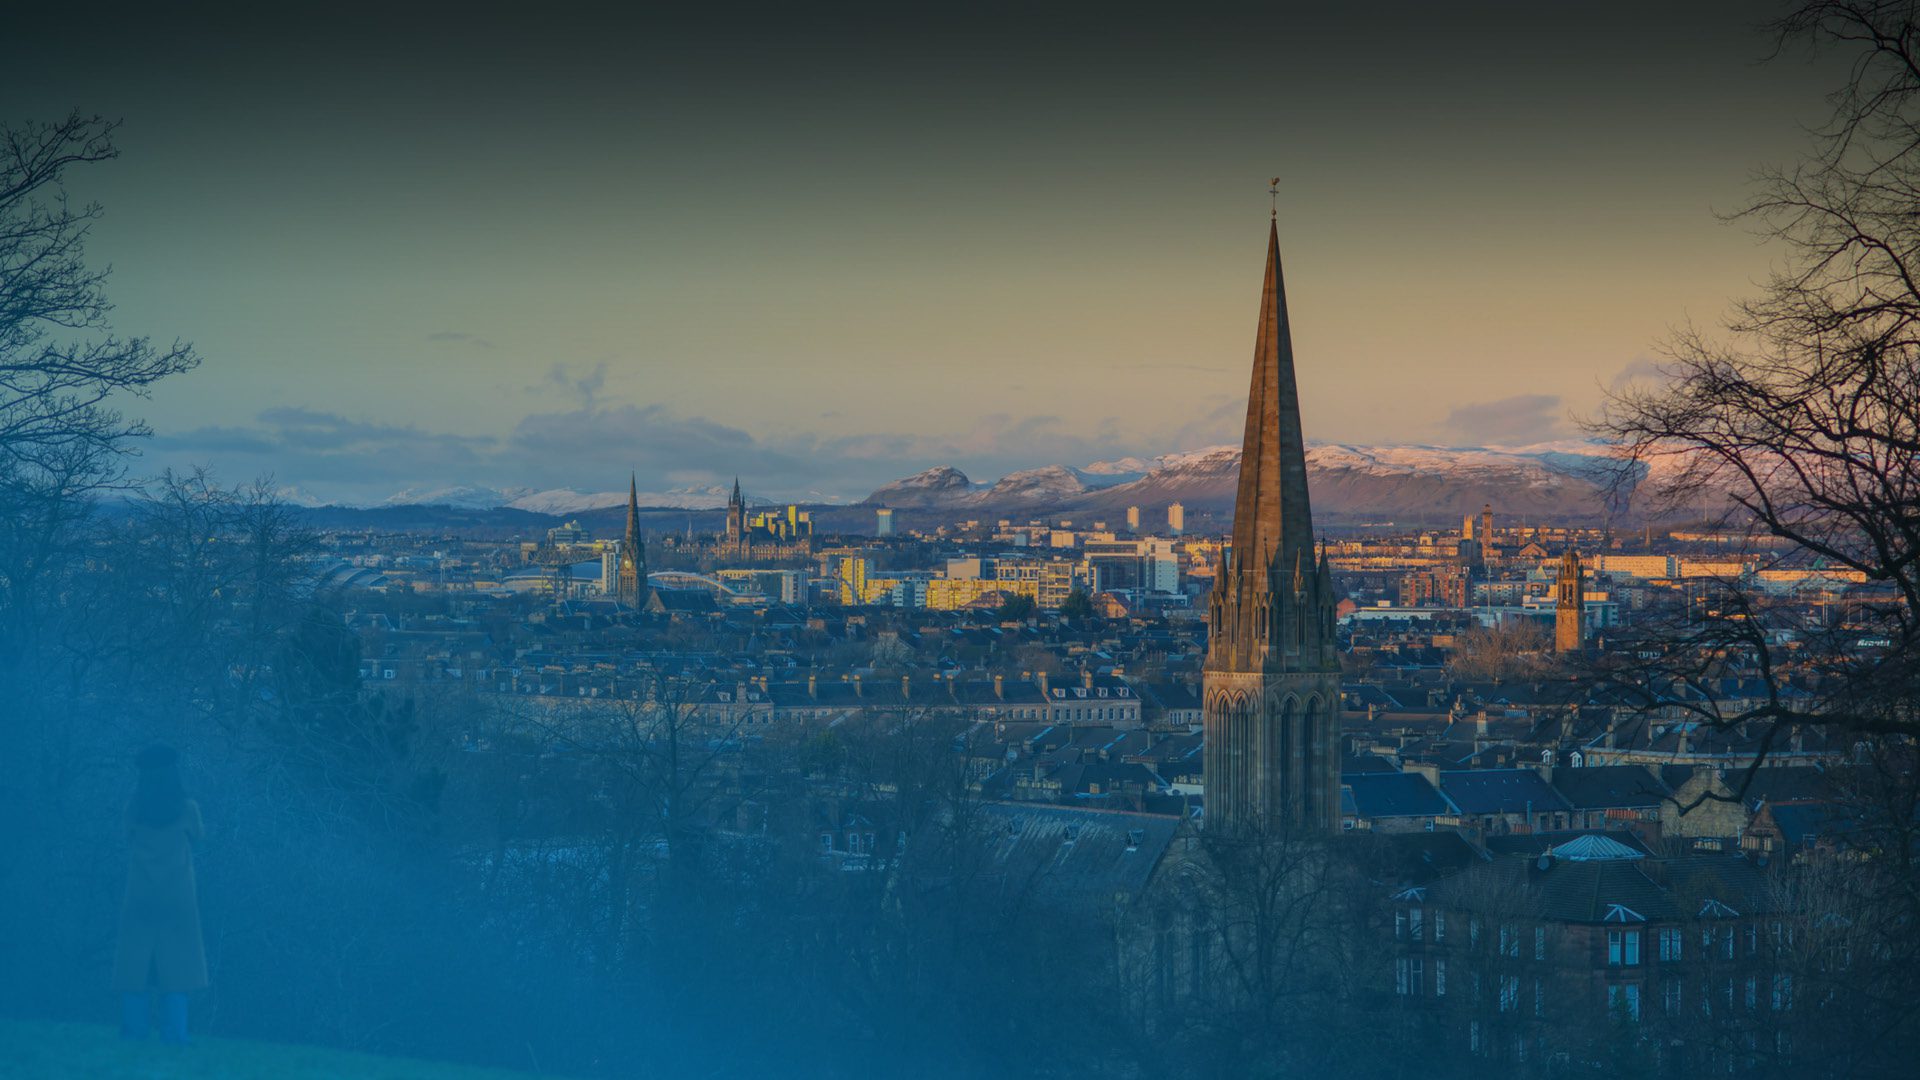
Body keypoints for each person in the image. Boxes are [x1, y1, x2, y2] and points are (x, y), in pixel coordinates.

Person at [112, 745, 207, 1044]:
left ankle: (133, 1032)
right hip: (178, 897)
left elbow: (127, 836)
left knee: (135, 966)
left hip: (140, 894)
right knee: (178, 968)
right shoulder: (187, 807)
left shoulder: (134, 807)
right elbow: (198, 835)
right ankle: (175, 1035)